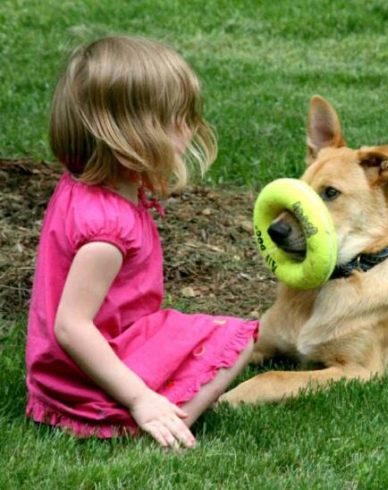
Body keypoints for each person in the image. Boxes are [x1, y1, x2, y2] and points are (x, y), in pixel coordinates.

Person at [25, 35, 259, 449]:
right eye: (177, 119)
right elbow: (71, 326)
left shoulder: (92, 186)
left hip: (72, 364)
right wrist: (139, 398)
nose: (190, 129)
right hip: (87, 372)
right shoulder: (107, 232)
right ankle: (156, 416)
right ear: (132, 134)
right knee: (236, 336)